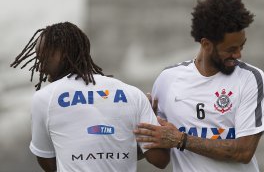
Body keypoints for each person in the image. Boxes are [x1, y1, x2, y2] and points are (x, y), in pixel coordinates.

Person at [134, 0, 264, 172]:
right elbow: (160, 160)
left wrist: (182, 140)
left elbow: (243, 152)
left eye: (241, 46)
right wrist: (146, 129)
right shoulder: (168, 80)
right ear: (206, 44)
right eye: (231, 49)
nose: (238, 55)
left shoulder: (251, 78)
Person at [10, 22, 169, 172]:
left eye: (43, 57)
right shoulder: (133, 94)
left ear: (62, 54)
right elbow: (159, 160)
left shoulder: (44, 98)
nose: (40, 67)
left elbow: (49, 164)